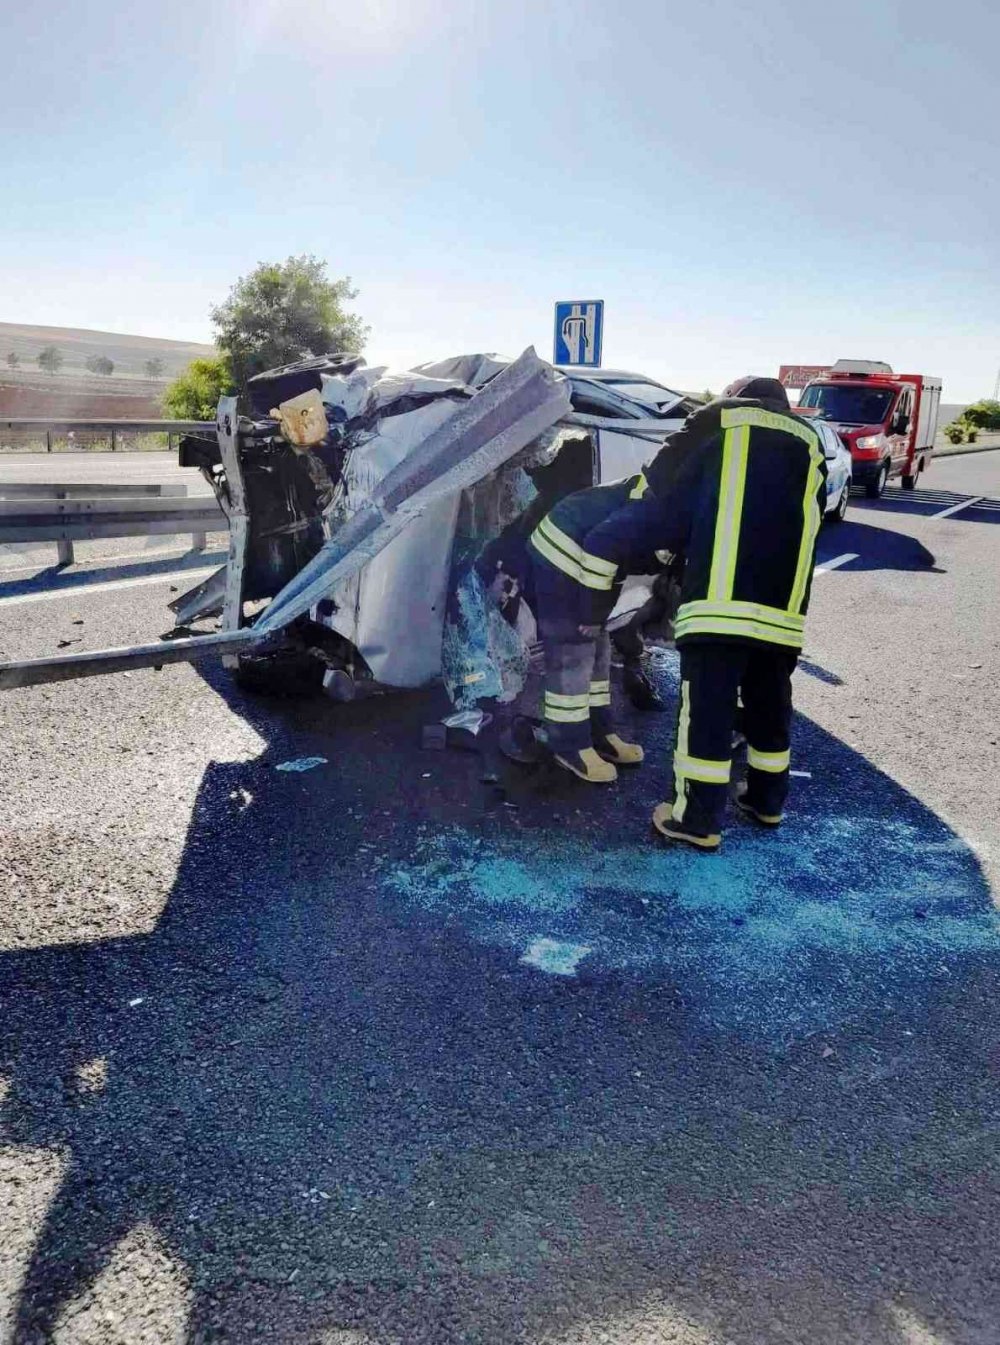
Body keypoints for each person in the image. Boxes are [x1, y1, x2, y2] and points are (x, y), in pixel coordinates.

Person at [641, 377, 827, 851]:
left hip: (719, 601)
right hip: (783, 607)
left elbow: (662, 482)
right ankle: (767, 800)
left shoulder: (718, 418)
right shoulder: (811, 440)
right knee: (770, 701)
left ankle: (696, 818)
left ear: (737, 394)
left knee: (707, 707)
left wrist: (662, 547)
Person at [525, 471, 677, 782]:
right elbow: (601, 546)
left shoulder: (680, 510)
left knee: (599, 647)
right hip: (563, 549)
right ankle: (568, 745)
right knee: (573, 649)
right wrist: (592, 616)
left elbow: (618, 562)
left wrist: (599, 617)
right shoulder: (666, 510)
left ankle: (598, 732)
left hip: (591, 555)